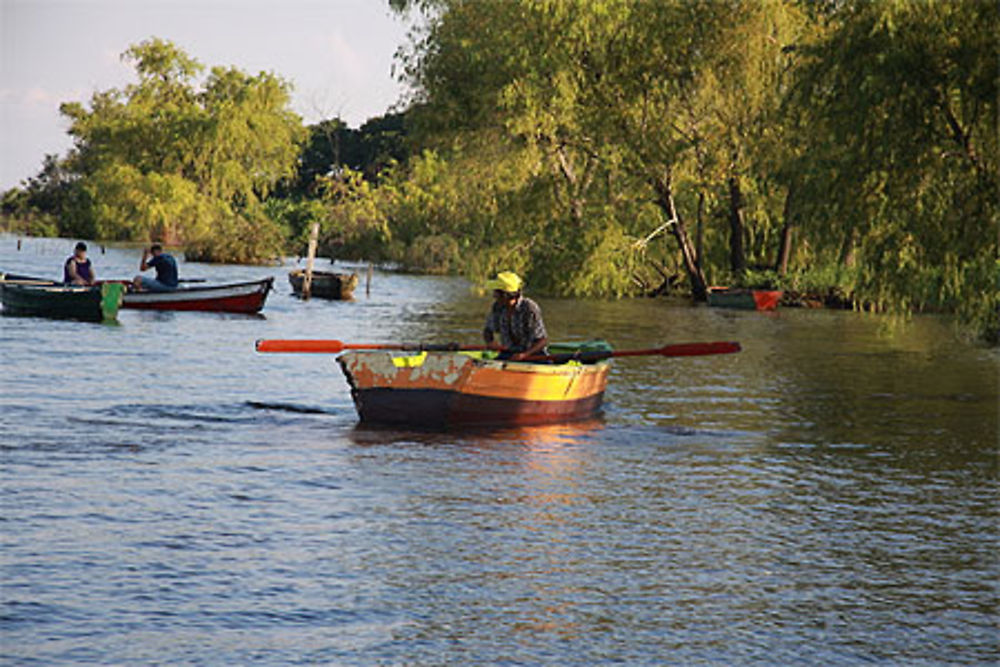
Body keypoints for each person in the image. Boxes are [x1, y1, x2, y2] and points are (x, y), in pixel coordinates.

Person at [483, 271, 548, 361]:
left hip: (533, 354)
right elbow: (487, 330)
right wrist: (490, 342)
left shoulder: (529, 308)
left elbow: (542, 341)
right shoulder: (497, 307)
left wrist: (524, 355)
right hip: (509, 353)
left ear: (505, 295)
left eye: (496, 292)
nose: (494, 295)